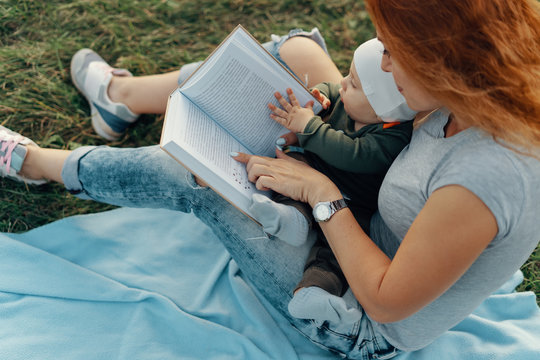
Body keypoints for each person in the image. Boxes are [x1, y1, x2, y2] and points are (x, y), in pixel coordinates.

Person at [1, 0, 540, 357]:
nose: (386, 58)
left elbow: (385, 303)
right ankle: (122, 99)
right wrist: (325, 107)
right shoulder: (479, 96)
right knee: (292, 55)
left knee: (202, 181)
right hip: (365, 197)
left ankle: (41, 166)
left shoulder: (486, 179)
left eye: (396, 51)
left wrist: (322, 194)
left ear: (448, 64)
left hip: (352, 307)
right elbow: (385, 113)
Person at [251, 38, 415, 315]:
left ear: (381, 109)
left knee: (335, 256)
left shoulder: (393, 137)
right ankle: (291, 218)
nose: (342, 84)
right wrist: (318, 95)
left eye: (353, 83)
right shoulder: (347, 100)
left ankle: (317, 292)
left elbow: (352, 153)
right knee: (292, 162)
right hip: (312, 172)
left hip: (352, 206)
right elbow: (332, 90)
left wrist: (310, 127)